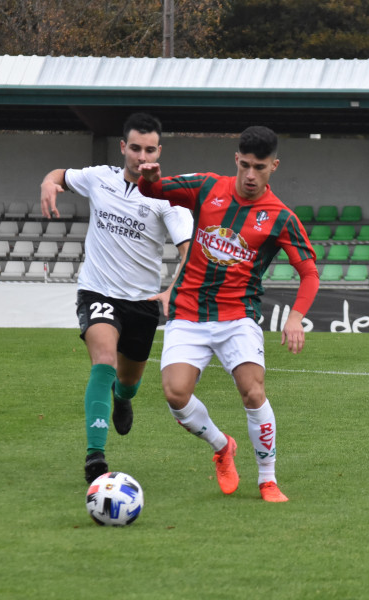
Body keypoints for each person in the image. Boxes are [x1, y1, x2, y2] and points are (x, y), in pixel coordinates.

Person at [137, 125, 320, 502]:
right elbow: (154, 191)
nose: (251, 176)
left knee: (253, 392)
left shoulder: (280, 217)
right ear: (236, 160)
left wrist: (295, 316)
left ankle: (267, 480)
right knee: (175, 394)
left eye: (261, 167)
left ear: (274, 166)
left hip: (238, 316)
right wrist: (149, 179)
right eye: (246, 166)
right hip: (188, 312)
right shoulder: (206, 187)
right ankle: (223, 447)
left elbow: (309, 273)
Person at [39, 112, 193, 484]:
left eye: (150, 149)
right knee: (103, 359)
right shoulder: (99, 178)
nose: (142, 157)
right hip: (97, 291)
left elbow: (190, 249)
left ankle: (122, 398)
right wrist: (48, 182)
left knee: (128, 382)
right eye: (135, 148)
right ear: (123, 147)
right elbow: (62, 175)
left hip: (142, 302)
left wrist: (173, 287)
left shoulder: (168, 199)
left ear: (160, 150)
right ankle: (95, 457)